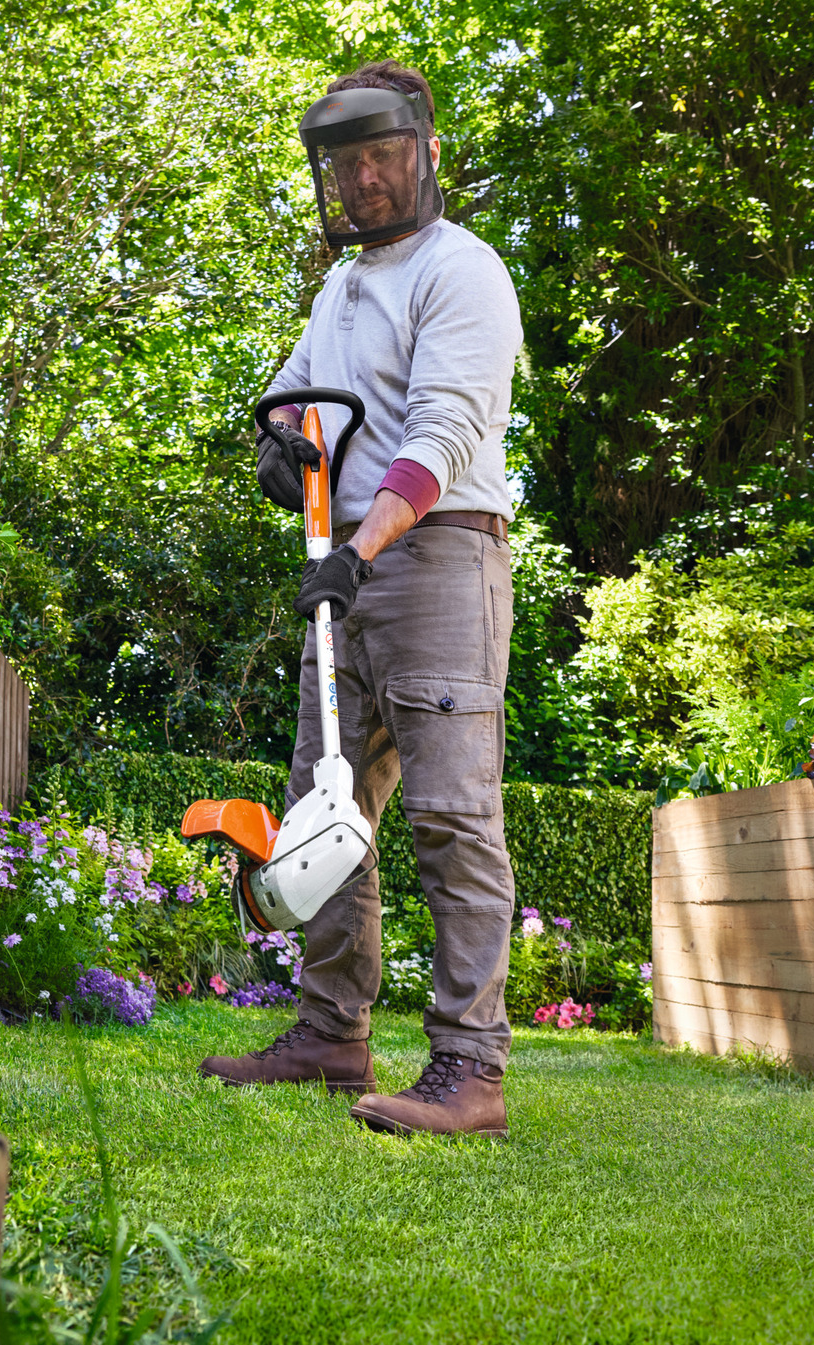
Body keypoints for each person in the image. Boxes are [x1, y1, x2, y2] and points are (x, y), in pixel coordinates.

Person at [197, 61, 523, 1138]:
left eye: (384, 155)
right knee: (323, 815)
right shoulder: (342, 288)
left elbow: (443, 434)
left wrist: (361, 544)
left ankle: (469, 1069)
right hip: (348, 574)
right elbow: (295, 403)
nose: (367, 179)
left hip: (433, 560)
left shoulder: (462, 271)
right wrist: (279, 452)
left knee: (452, 818)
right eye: (348, 163)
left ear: (427, 149)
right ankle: (332, 1035)